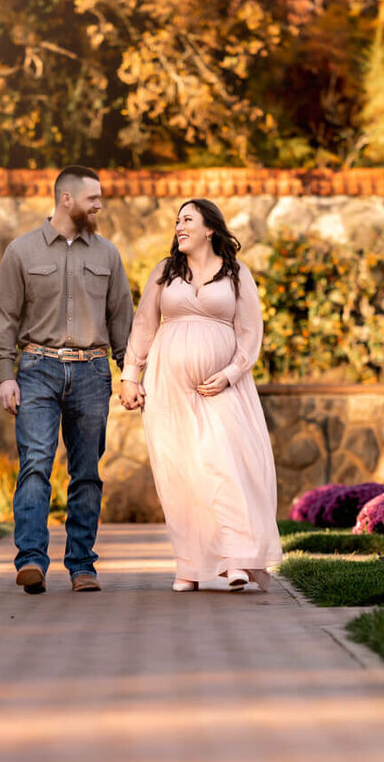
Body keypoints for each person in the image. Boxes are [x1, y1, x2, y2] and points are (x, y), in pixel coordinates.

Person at [118, 199, 282, 592]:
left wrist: (229, 374)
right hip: (167, 387)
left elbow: (249, 332)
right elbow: (144, 326)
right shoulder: (164, 272)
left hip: (221, 386)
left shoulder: (236, 274)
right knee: (180, 473)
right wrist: (129, 376)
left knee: (222, 465)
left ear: (210, 229)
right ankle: (189, 565)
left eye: (187, 219)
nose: (179, 226)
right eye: (177, 220)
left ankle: (236, 559)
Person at [0, 168, 135, 594]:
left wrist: (129, 374)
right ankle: (31, 561)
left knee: (86, 473)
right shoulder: (22, 251)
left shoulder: (107, 254)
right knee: (35, 465)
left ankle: (82, 566)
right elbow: (3, 317)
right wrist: (5, 374)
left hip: (92, 371)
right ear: (65, 199)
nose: (99, 205)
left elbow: (121, 318)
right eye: (93, 198)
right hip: (37, 369)